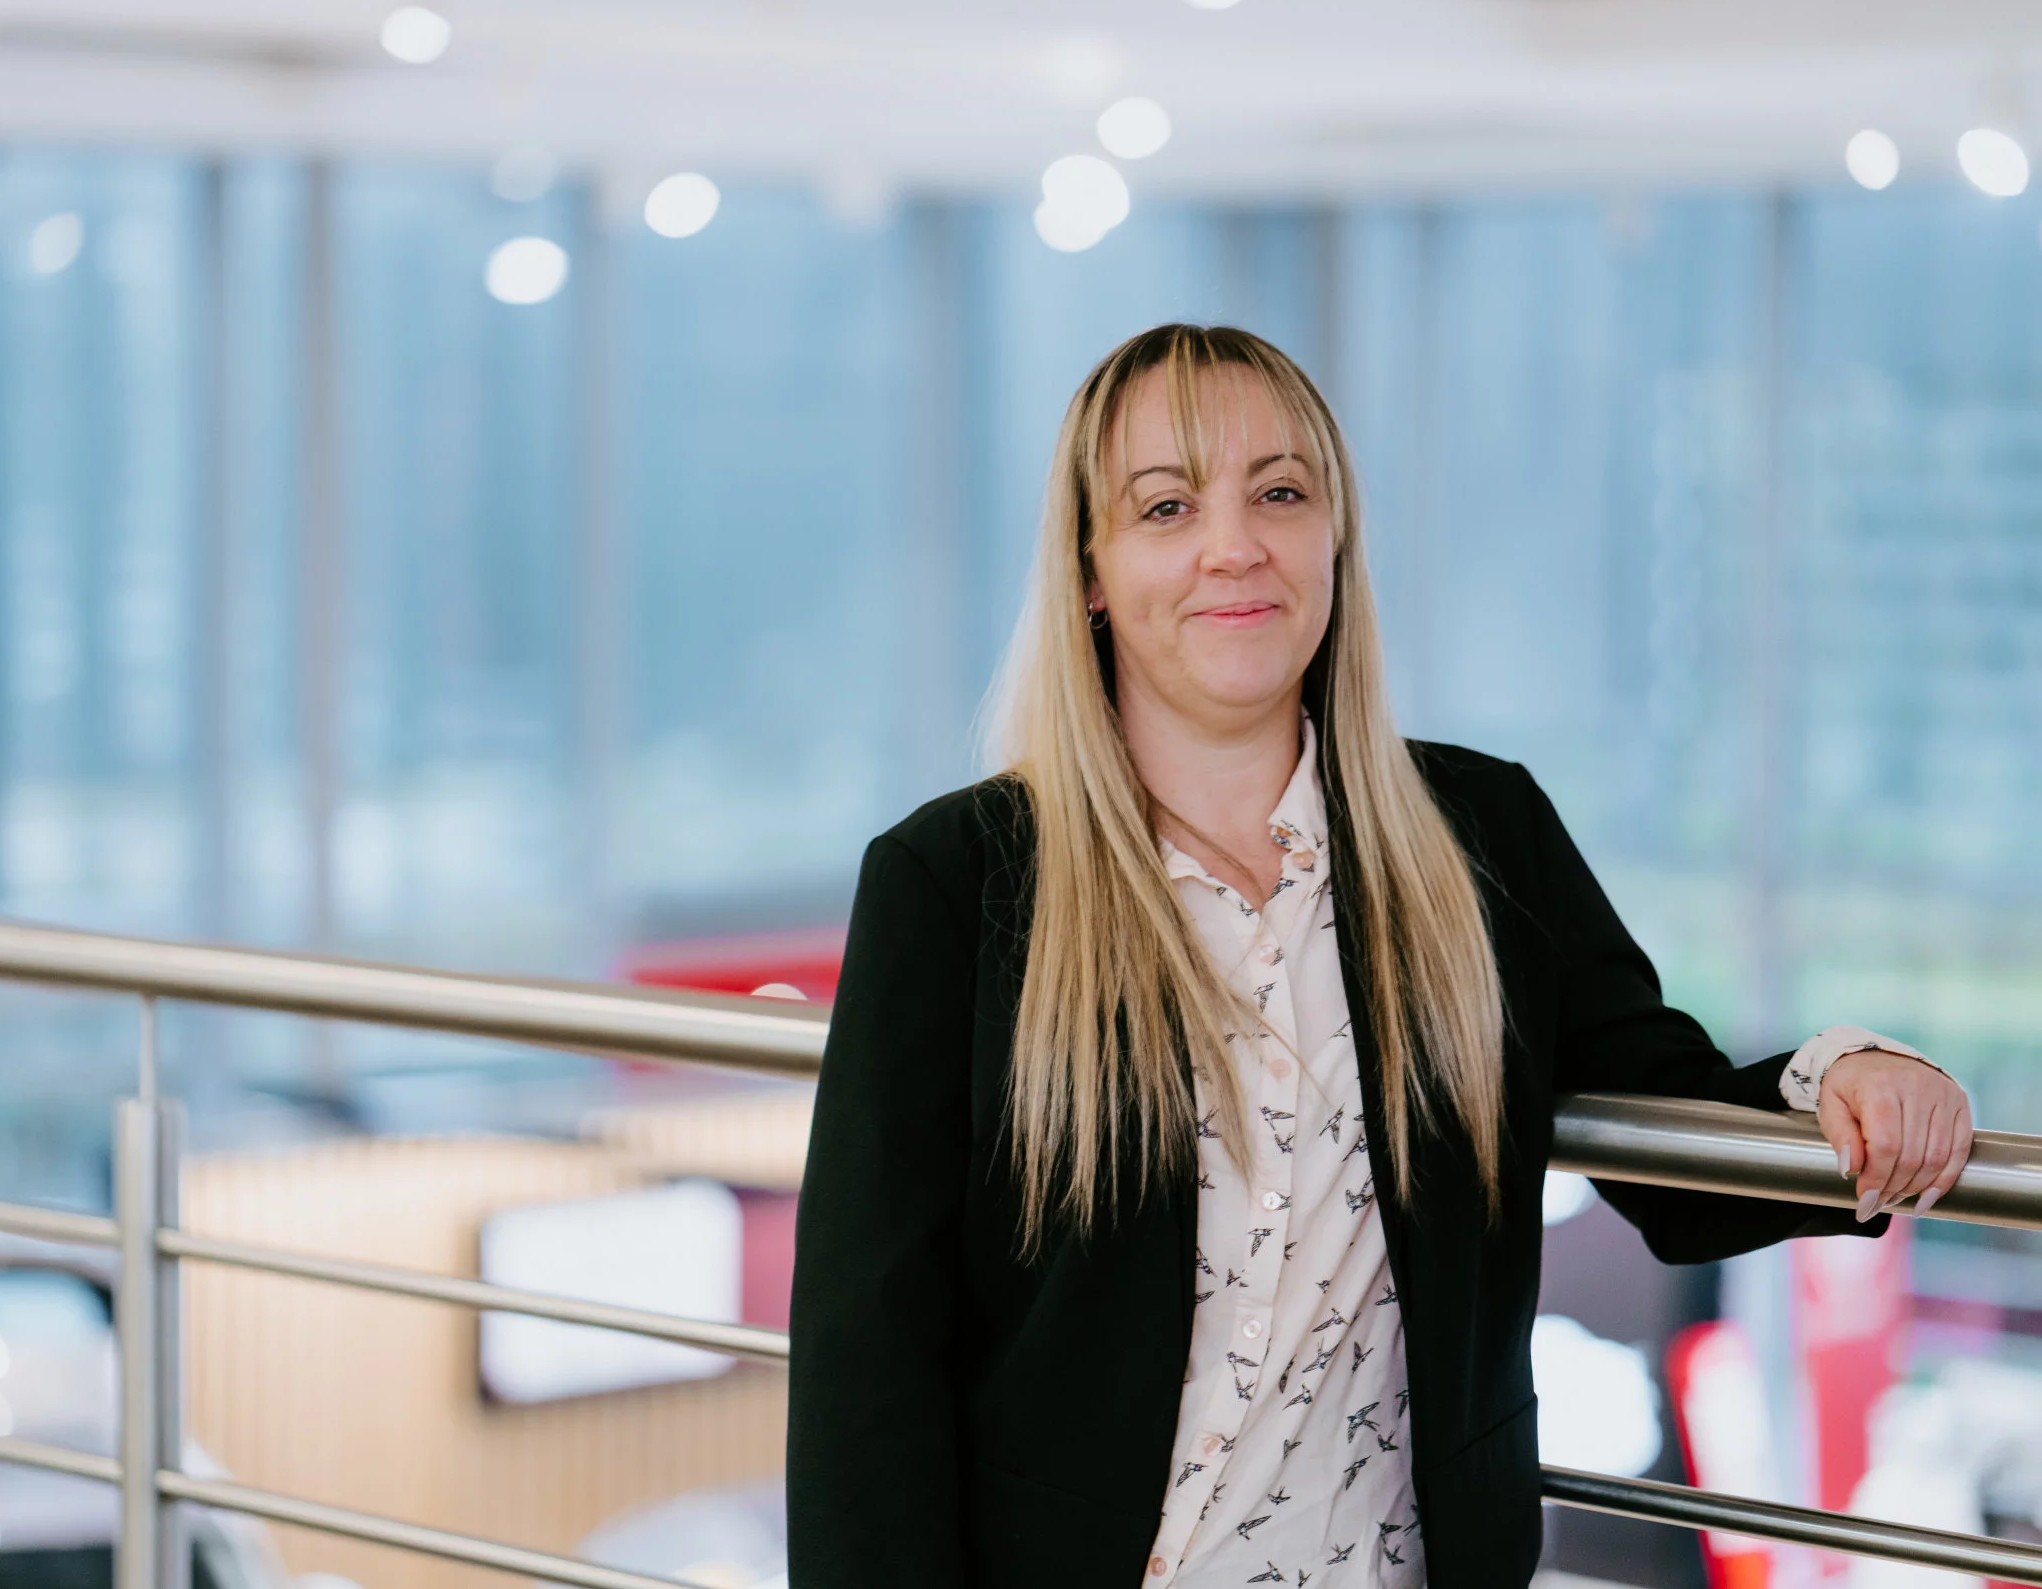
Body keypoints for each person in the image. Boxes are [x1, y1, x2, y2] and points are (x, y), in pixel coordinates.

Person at [785, 323, 1973, 1589]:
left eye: (1280, 494)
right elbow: (870, 1363)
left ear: (1334, 542)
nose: (1234, 545)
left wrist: (1846, 1074)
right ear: (1090, 567)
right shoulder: (955, 881)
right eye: (1167, 505)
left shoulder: (1479, 835)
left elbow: (1670, 1142)